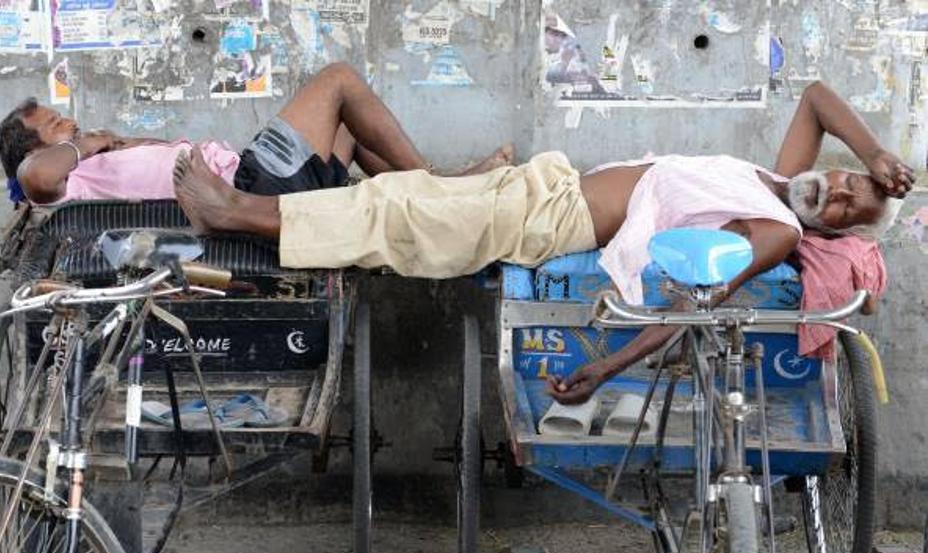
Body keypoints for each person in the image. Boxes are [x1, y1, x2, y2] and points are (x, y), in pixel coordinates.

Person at [171, 81, 914, 403]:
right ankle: (257, 205)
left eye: (850, 211)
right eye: (849, 181)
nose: (840, 195)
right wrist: (879, 154)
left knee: (394, 216)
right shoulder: (774, 179)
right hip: (544, 186)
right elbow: (817, 97)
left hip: (548, 222)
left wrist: (607, 365)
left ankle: (236, 214)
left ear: (830, 230)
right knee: (402, 194)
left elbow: (699, 302)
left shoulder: (779, 226)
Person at [0, 62, 512, 206]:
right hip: (250, 185)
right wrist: (89, 143)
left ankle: (439, 188)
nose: (66, 121)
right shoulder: (63, 178)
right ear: (36, 144)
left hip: (254, 179)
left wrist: (116, 142)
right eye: (52, 124)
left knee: (352, 131)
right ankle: (446, 189)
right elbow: (33, 174)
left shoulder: (86, 168)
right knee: (338, 81)